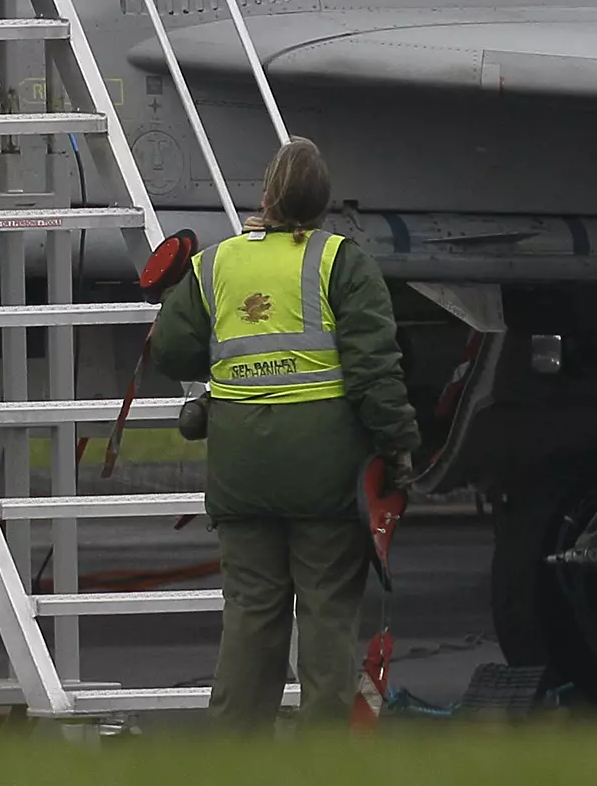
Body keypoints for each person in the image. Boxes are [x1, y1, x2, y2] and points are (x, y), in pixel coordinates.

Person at [154, 136, 421, 731]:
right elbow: (376, 370)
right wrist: (399, 448)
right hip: (325, 477)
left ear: (268, 194)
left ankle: (235, 758)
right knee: (327, 614)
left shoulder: (217, 263)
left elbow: (171, 351)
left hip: (241, 471)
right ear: (323, 202)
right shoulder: (341, 263)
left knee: (251, 615)